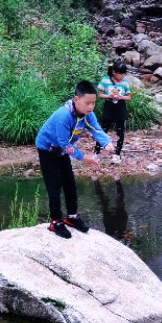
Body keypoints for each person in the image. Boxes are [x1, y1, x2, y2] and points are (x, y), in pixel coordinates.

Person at [35, 80, 114, 239]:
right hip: (48, 150)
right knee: (54, 185)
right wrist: (84, 158)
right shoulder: (63, 116)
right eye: (87, 103)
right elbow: (64, 143)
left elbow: (96, 129)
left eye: (93, 103)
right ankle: (56, 222)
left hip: (62, 151)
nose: (91, 107)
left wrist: (107, 143)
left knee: (70, 183)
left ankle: (72, 217)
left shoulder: (88, 115)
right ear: (76, 99)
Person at [94, 60, 131, 163]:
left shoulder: (124, 83)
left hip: (120, 107)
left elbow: (129, 97)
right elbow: (100, 95)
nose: (123, 76)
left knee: (120, 131)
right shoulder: (105, 81)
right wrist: (109, 96)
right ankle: (96, 152)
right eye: (121, 73)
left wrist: (121, 97)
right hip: (109, 107)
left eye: (124, 74)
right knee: (103, 129)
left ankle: (117, 154)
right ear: (114, 72)